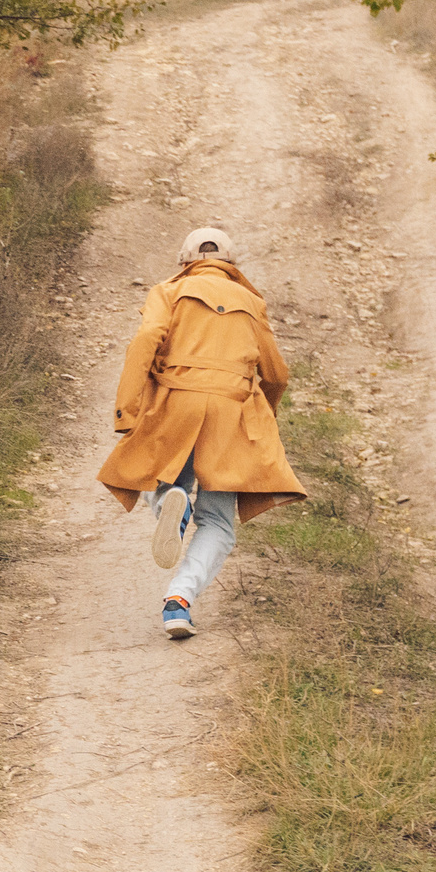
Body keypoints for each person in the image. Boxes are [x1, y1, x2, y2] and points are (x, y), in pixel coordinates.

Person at [95, 226, 306, 639]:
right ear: (230, 263)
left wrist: (128, 410)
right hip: (231, 412)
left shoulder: (169, 291)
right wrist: (263, 417)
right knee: (219, 524)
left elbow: (145, 341)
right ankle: (179, 600)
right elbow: (277, 375)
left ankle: (171, 507)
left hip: (176, 403)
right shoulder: (252, 302)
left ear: (184, 261)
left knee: (160, 480)